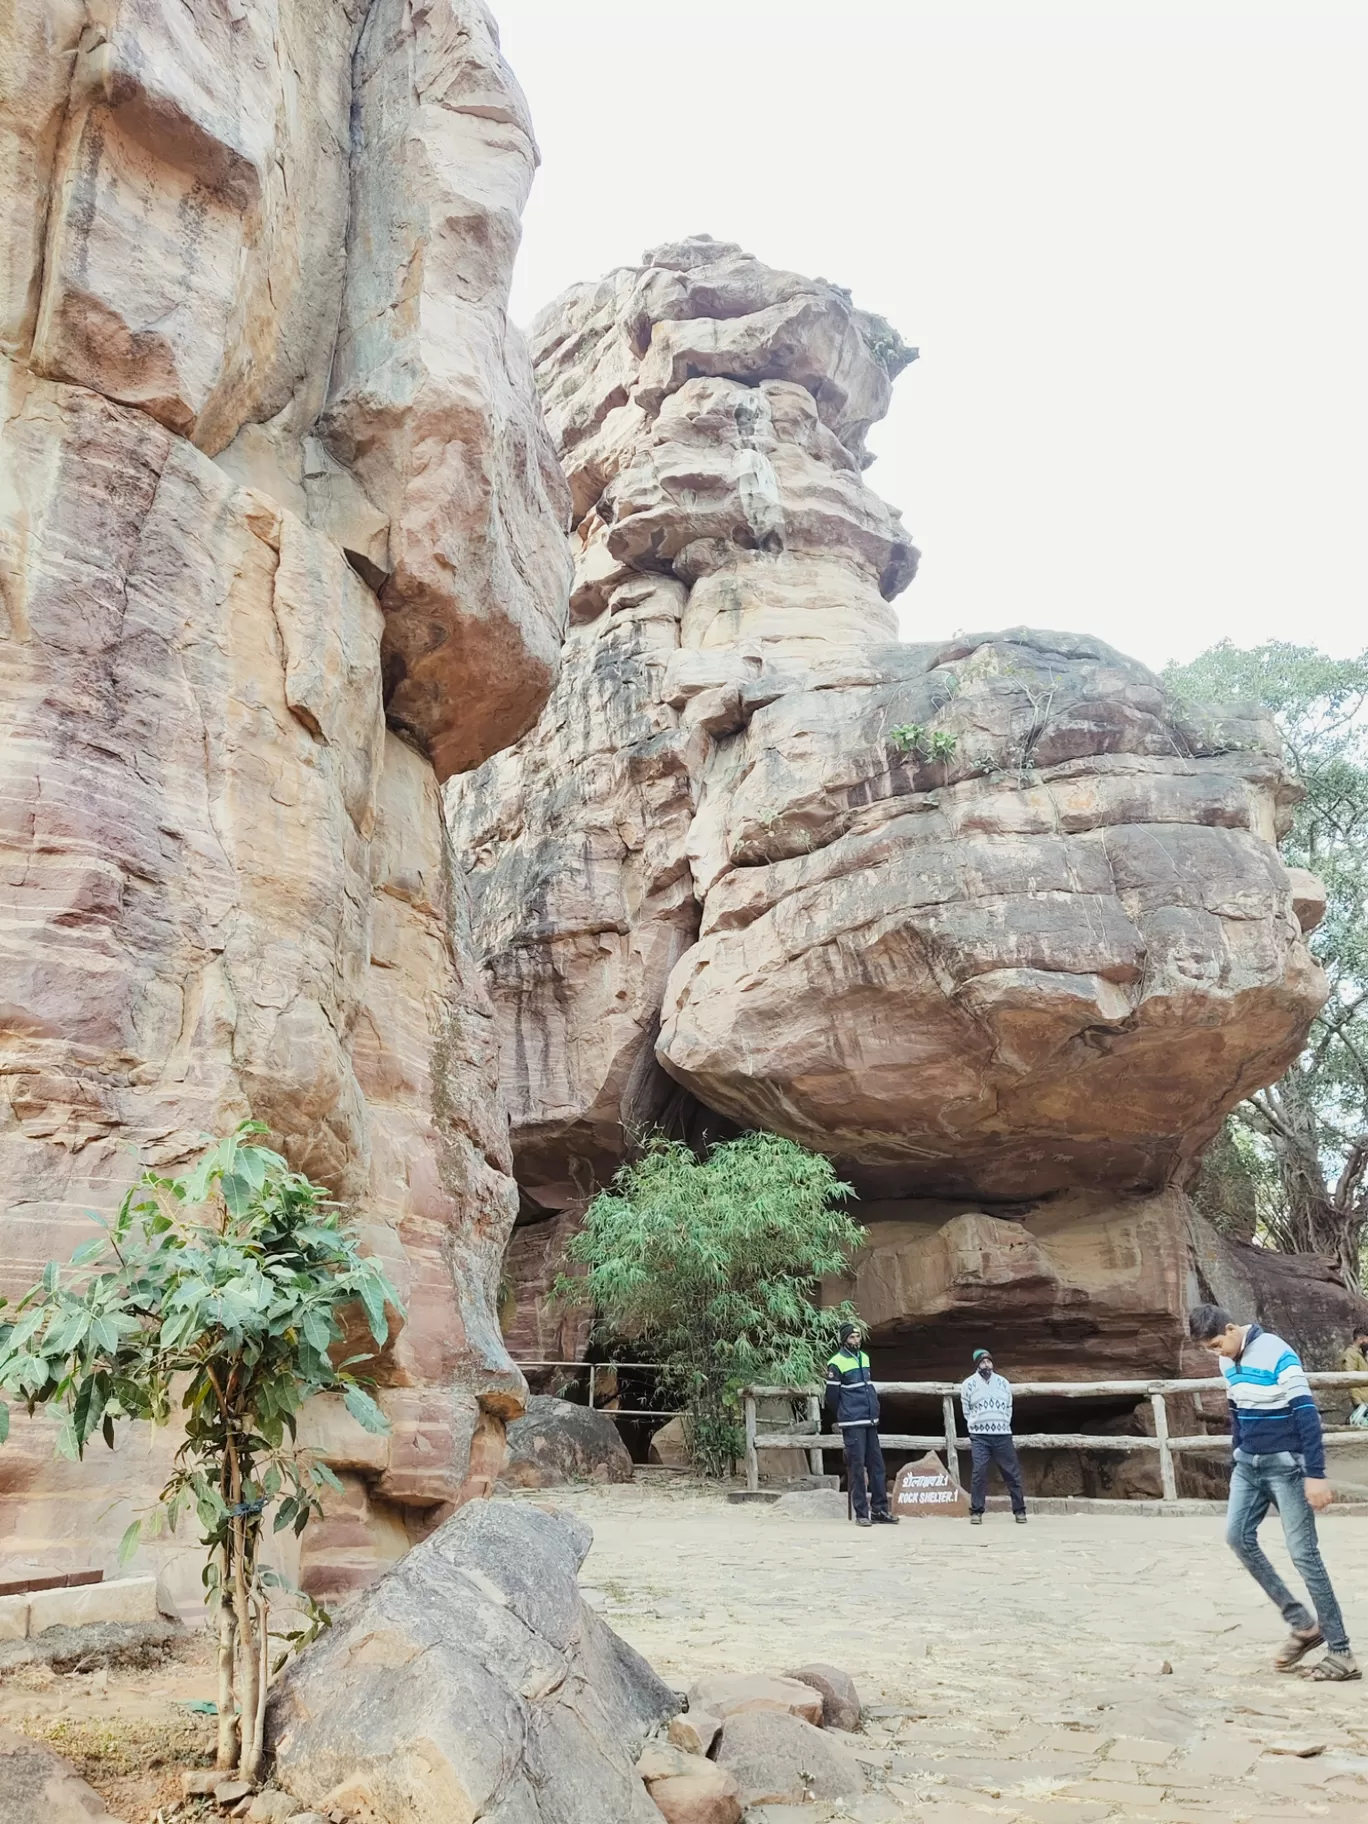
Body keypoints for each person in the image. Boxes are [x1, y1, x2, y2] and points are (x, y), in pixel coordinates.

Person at [1189, 1302, 1357, 1681]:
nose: (1216, 1353)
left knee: (1304, 1555)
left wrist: (1315, 1475)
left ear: (1231, 1328)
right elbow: (1236, 1409)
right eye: (1208, 1349)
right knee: (1237, 1537)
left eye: (1216, 1344)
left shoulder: (1278, 1353)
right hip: (1248, 1465)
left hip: (1288, 1467)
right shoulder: (1226, 1361)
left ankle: (1341, 1652)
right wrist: (1237, 1454)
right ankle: (1302, 1624)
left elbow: (1306, 1415)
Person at [825, 1321, 896, 1527]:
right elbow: (832, 1396)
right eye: (852, 1337)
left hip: (870, 1419)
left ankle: (880, 1510)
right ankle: (861, 1513)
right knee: (857, 1467)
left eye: (857, 1337)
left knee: (877, 1466)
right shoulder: (836, 1362)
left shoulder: (864, 1358)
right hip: (853, 1421)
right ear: (844, 1340)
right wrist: (845, 1413)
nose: (856, 1340)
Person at [959, 1348, 1027, 1525]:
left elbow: (1009, 1406)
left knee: (1012, 1473)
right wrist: (975, 1423)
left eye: (989, 1361)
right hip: (980, 1436)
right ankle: (977, 1511)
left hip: (1002, 1434)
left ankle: (1020, 1510)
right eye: (983, 1362)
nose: (986, 1364)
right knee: (979, 1472)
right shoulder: (968, 1384)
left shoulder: (1003, 1383)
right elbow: (966, 1409)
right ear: (977, 1364)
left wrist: (1003, 1421)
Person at [1339, 1326, 1368, 1427]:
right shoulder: (1350, 1355)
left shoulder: (1362, 1355)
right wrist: (1358, 1403)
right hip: (1362, 1402)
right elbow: (1350, 1380)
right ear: (1361, 1339)